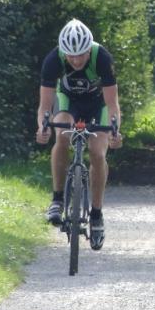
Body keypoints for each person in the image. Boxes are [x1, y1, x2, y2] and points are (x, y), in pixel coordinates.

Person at [35, 19, 122, 251]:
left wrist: (114, 131)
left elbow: (112, 103)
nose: (75, 60)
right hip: (68, 102)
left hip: (97, 105)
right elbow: (45, 105)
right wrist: (43, 127)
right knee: (62, 136)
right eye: (71, 56)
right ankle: (57, 199)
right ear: (64, 52)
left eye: (81, 55)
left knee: (97, 153)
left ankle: (96, 214)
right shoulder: (53, 59)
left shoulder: (101, 57)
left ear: (89, 49)